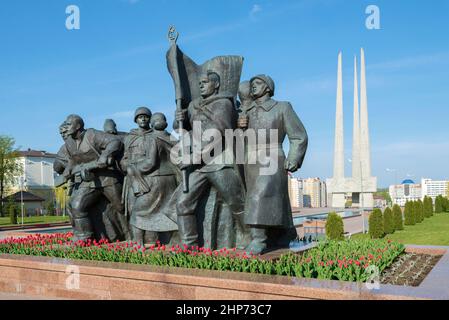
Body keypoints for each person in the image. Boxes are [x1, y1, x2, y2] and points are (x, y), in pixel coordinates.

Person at [173, 70, 246, 246]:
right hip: (199, 165)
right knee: (183, 204)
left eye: (205, 82)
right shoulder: (193, 106)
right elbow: (182, 128)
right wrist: (178, 119)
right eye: (200, 83)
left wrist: (196, 157)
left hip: (219, 161)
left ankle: (249, 236)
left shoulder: (223, 104)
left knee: (237, 203)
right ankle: (189, 246)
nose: (201, 85)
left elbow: (219, 134)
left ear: (216, 85)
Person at [238, 74, 308, 254]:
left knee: (260, 196)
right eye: (252, 84)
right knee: (272, 198)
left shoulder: (282, 107)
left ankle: (258, 239)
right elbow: (238, 141)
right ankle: (287, 231)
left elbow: (299, 135)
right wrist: (240, 127)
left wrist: (294, 157)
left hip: (272, 156)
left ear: (268, 87)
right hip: (251, 159)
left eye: (258, 83)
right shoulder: (247, 111)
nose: (253, 86)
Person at [61, 114, 126, 241]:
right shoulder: (69, 143)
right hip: (89, 180)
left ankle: (134, 235)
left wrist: (106, 154)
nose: (66, 127)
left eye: (69, 124)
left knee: (121, 207)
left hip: (107, 178)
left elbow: (115, 141)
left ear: (78, 126)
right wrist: (68, 171)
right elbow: (73, 161)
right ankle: (84, 237)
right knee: (76, 205)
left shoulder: (92, 134)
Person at [121, 108, 178, 245]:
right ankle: (138, 240)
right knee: (133, 208)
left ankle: (149, 241)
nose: (143, 119)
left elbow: (152, 161)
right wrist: (127, 165)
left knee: (145, 211)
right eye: (140, 117)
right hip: (134, 177)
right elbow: (124, 158)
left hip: (151, 177)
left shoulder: (155, 136)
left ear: (151, 121)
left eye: (146, 117)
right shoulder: (130, 138)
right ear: (136, 120)